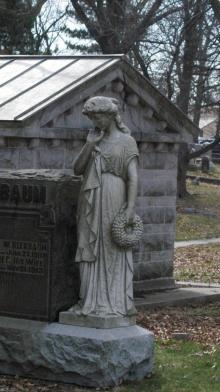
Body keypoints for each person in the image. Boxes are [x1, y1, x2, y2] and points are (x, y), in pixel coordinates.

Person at [69, 96, 139, 318]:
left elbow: (133, 178)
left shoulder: (127, 142)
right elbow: (77, 169)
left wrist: (129, 209)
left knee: (109, 248)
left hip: (113, 194)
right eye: (91, 118)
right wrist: (90, 145)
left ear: (110, 115)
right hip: (90, 197)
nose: (94, 121)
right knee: (88, 245)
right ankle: (88, 300)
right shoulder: (93, 139)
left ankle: (111, 303)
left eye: (97, 116)